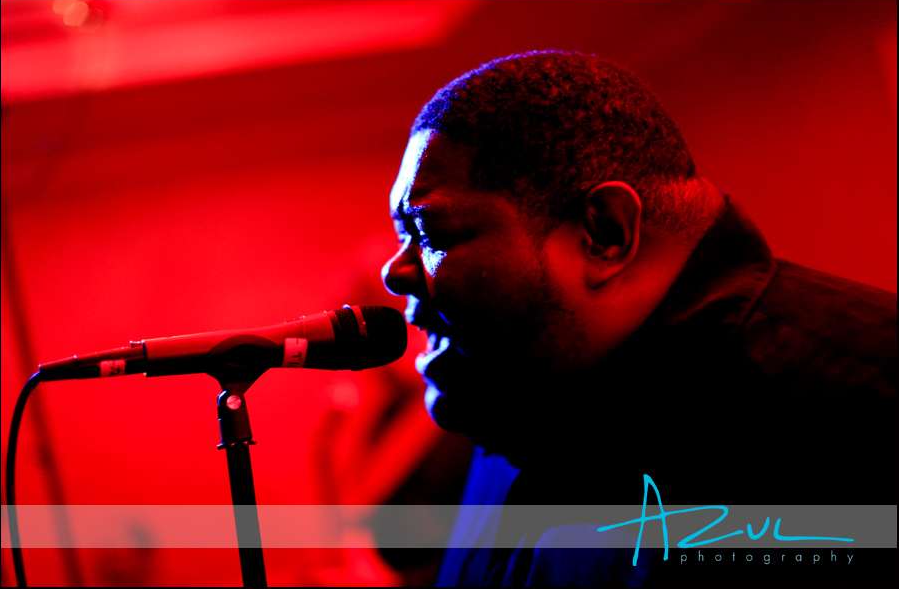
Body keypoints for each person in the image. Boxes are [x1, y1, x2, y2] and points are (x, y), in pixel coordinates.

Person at [379, 51, 897, 586]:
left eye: (429, 233)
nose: (394, 274)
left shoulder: (860, 416)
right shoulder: (522, 402)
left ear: (603, 234)